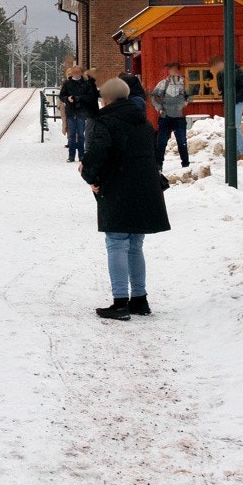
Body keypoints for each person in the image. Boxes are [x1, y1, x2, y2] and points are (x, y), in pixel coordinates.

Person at [80, 78, 171, 320]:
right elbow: (153, 155)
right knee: (134, 245)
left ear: (107, 99)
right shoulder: (143, 122)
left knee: (116, 243)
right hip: (144, 189)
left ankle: (120, 302)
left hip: (117, 187)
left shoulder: (105, 122)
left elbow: (96, 154)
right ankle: (139, 300)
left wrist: (90, 177)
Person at [208, 55, 243, 163]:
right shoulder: (220, 75)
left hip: (237, 102)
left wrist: (235, 98)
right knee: (230, 127)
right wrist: (218, 92)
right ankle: (238, 154)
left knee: (234, 127)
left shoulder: (236, 72)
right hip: (228, 103)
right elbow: (222, 89)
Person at [150, 61, 191, 167]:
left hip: (179, 117)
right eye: (171, 70)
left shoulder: (184, 83)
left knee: (182, 142)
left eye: (175, 70)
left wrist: (183, 104)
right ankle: (159, 165)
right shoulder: (163, 83)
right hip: (165, 117)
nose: (173, 72)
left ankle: (185, 165)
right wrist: (158, 107)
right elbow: (153, 96)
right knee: (162, 142)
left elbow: (189, 96)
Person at [59, 65, 100, 163]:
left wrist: (79, 98)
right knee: (72, 135)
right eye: (74, 72)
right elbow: (61, 95)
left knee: (81, 135)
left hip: (82, 112)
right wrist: (67, 98)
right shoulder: (67, 83)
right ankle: (71, 155)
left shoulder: (86, 84)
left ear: (81, 73)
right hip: (71, 111)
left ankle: (81, 156)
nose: (76, 74)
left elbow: (90, 97)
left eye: (78, 72)